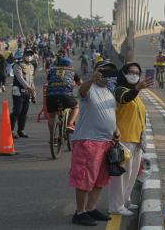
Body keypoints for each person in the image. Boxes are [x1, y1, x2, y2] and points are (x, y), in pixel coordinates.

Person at [69, 60, 120, 226]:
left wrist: (116, 129)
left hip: (106, 141)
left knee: (100, 179)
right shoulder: (90, 88)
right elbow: (81, 92)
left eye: (109, 71)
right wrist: (91, 79)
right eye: (102, 70)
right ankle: (80, 212)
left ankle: (91, 208)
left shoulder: (109, 91)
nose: (105, 74)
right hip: (88, 141)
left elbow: (110, 113)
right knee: (85, 177)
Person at [108, 62, 153, 216]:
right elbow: (125, 99)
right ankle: (116, 205)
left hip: (136, 140)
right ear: (124, 73)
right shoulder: (120, 90)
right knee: (122, 176)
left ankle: (125, 200)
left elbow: (140, 117)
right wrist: (137, 88)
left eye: (137, 72)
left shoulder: (136, 94)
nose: (134, 74)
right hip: (124, 139)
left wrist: (143, 137)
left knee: (132, 174)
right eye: (131, 71)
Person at [46, 57, 81, 137]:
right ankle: (70, 124)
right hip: (66, 95)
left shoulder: (52, 70)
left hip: (51, 96)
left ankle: (52, 136)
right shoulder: (72, 71)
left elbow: (49, 80)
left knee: (51, 116)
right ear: (70, 66)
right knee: (76, 107)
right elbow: (80, 83)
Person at [10, 49, 36, 139]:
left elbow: (32, 81)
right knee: (17, 111)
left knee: (24, 113)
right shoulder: (18, 65)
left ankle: (21, 130)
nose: (29, 56)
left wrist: (34, 94)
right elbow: (20, 78)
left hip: (27, 93)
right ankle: (11, 130)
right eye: (27, 54)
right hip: (18, 91)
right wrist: (28, 87)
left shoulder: (32, 66)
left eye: (30, 54)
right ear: (24, 55)